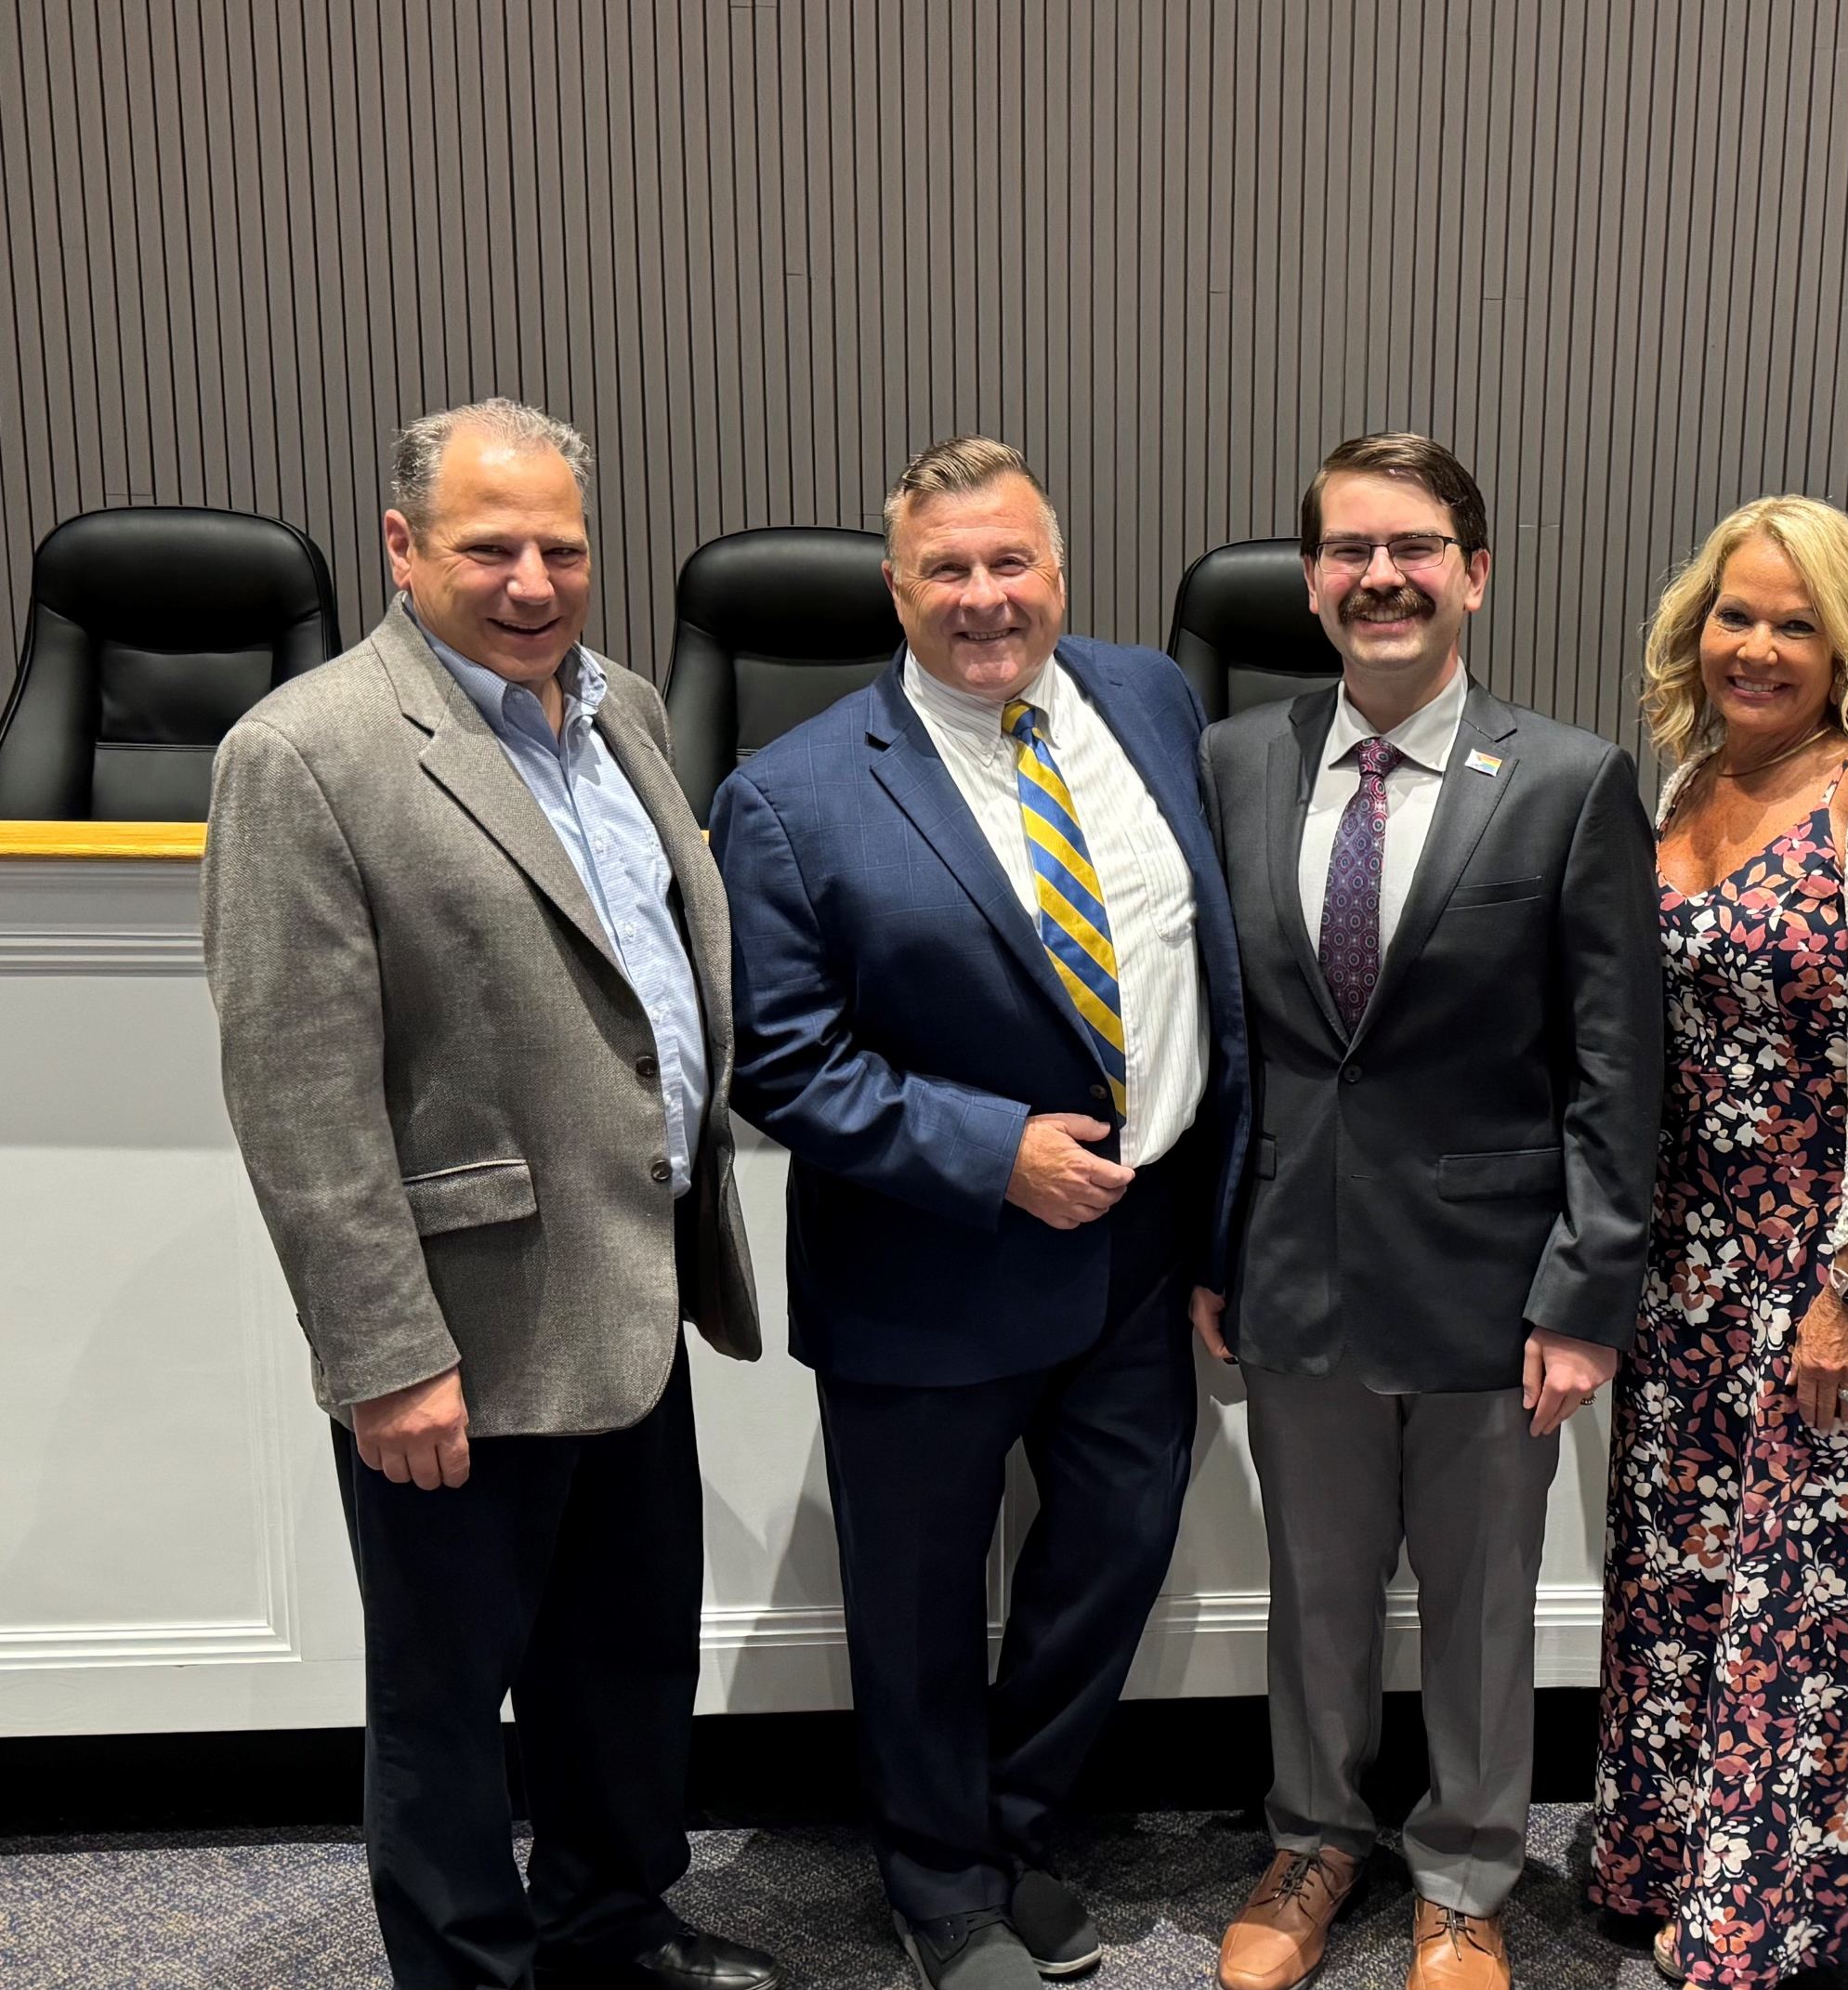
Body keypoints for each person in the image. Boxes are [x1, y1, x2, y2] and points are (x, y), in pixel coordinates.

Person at [202, 399, 781, 1990]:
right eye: (490, 545)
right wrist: (386, 1352)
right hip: (462, 1326)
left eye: (564, 546)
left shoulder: (629, 711)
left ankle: (613, 1920)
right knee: (452, 1695)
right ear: (402, 546)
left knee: (625, 1661)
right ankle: (465, 1965)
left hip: (637, 1285)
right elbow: (299, 1096)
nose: (533, 579)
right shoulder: (306, 751)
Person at [710, 438, 1252, 1990]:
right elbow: (787, 1063)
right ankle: (942, 1879)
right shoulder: (794, 794)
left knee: (1118, 1551)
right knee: (923, 1597)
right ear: (896, 589)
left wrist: (1212, 1217)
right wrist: (989, 1148)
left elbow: (1187, 970)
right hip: (930, 1265)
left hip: (1139, 1255)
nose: (982, 597)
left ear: (1058, 572)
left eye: (1010, 562)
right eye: (945, 569)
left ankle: (1012, 1824)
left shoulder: (1147, 698)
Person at [1198, 432, 1665, 1990]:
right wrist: (1214, 1247)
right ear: (1311, 577)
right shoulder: (1235, 762)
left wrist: (1589, 1290)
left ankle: (1464, 1871)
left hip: (1493, 1278)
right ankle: (1315, 1837)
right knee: (1315, 1585)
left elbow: (1616, 1062)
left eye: (1412, 547)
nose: (1378, 576)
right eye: (1345, 549)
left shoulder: (1572, 777)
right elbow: (1222, 1037)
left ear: (1475, 570)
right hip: (1295, 1263)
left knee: (1479, 1602)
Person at [1587, 496, 1848, 1988]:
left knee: (1809, 1588)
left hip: (1833, 1275)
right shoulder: (1683, 781)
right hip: (1689, 1270)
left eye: (1795, 621)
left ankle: (1782, 1900)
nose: (1758, 645)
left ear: (1845, 645)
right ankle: (1672, 1849)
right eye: (1736, 615)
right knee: (1688, 1572)